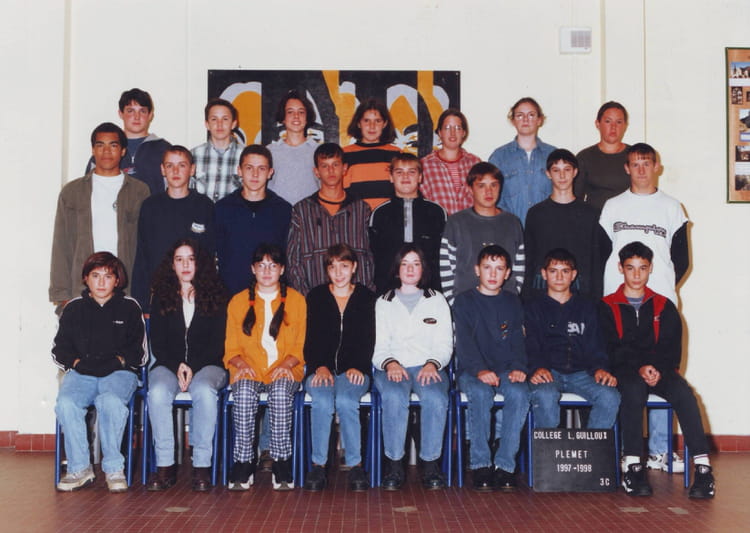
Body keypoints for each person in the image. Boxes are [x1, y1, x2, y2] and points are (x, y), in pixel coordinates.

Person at [599, 241, 715, 499]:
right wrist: (639, 367)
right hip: (626, 370)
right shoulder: (607, 306)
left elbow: (672, 346)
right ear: (620, 268)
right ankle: (633, 466)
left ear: (650, 268)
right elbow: (610, 347)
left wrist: (657, 369)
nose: (636, 275)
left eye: (642, 268)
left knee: (684, 394)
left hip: (660, 370)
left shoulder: (664, 305)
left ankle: (703, 468)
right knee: (633, 391)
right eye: (630, 268)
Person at [53, 252, 146, 492]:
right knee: (66, 403)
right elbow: (59, 349)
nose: (102, 282)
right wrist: (76, 363)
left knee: (110, 401)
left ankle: (114, 469)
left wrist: (117, 361)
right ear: (86, 279)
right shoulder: (73, 308)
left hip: (119, 373)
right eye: (96, 276)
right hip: (82, 371)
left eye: (108, 276)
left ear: (117, 280)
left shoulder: (130, 307)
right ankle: (80, 468)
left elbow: (139, 353)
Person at [146, 239, 228, 492]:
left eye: (190, 259)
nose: (185, 265)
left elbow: (218, 343)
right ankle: (165, 465)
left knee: (203, 390)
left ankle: (201, 466)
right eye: (179, 259)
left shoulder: (217, 294)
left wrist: (192, 365)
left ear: (199, 262)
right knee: (157, 392)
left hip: (208, 365)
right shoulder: (161, 296)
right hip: (169, 365)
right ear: (172, 264)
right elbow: (158, 343)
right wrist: (178, 365)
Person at [224, 244, 306, 491]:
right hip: (249, 368)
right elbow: (231, 347)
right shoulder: (238, 301)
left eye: (273, 266)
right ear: (253, 269)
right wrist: (241, 364)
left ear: (282, 269)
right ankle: (243, 461)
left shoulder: (297, 300)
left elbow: (300, 345)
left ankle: (281, 461)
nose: (267, 271)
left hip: (286, 368)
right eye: (261, 266)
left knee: (280, 393)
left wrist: (287, 364)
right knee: (243, 393)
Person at [372, 244, 453, 490]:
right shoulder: (383, 302)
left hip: (428, 366)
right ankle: (395, 464)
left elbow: (445, 343)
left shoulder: (437, 300)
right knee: (395, 396)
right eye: (405, 264)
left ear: (423, 269)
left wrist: (433, 364)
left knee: (436, 398)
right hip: (392, 366)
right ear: (397, 269)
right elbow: (378, 346)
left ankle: (430, 464)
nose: (410, 269)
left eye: (416, 264)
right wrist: (390, 363)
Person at [50, 123, 150, 311]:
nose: (106, 151)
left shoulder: (139, 191)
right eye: (100, 145)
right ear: (93, 150)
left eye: (113, 145)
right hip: (81, 290)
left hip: (126, 291)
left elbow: (147, 247)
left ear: (123, 151)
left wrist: (144, 296)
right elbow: (61, 245)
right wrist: (62, 296)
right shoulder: (72, 192)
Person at [454, 245, 529, 492]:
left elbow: (518, 339)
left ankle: (505, 465)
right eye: (487, 267)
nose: (493, 274)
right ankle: (481, 464)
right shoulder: (464, 301)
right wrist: (479, 370)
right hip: (472, 371)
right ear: (477, 270)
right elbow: (464, 343)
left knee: (519, 393)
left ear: (507, 273)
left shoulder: (512, 301)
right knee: (480, 393)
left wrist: (518, 367)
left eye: (499, 268)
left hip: (506, 368)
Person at [302, 244, 376, 492]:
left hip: (355, 369)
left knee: (346, 400)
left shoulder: (366, 298)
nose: (338, 272)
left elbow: (369, 339)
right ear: (326, 270)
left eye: (344, 266)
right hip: (319, 368)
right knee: (322, 401)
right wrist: (319, 366)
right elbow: (309, 339)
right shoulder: (316, 297)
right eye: (332, 267)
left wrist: (359, 366)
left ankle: (355, 466)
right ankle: (318, 466)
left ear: (354, 267)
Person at [526, 248, 620, 429]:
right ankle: (550, 448)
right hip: (548, 373)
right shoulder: (532, 308)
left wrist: (600, 368)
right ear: (544, 274)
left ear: (573, 275)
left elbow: (596, 345)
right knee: (545, 396)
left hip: (582, 374)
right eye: (553, 271)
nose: (559, 277)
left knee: (610, 396)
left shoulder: (587, 308)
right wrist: (536, 368)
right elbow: (530, 345)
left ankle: (591, 447)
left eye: (565, 271)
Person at [132, 146, 215, 313]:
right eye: (170, 165)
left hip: (195, 295)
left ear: (192, 169)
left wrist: (206, 296)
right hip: (159, 295)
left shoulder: (204, 205)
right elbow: (142, 257)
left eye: (182, 165)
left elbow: (209, 256)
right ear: (163, 170)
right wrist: (142, 303)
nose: (175, 171)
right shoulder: (150, 207)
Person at [287, 142, 374, 295]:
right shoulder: (301, 211)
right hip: (315, 297)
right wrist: (307, 298)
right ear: (316, 172)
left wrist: (364, 295)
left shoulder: (361, 209)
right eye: (324, 166)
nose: (331, 170)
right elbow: (293, 261)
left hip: (355, 298)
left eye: (335, 164)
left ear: (344, 168)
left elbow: (370, 257)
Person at [523, 149, 604, 301]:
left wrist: (597, 299)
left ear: (575, 172)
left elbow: (596, 261)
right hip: (543, 293)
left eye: (567, 169)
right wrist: (526, 298)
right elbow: (529, 260)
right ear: (548, 173)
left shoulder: (591, 214)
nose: (562, 176)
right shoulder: (536, 214)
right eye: (556, 170)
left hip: (581, 293)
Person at [439, 162, 524, 305]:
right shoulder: (456, 222)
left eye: (493, 185)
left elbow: (519, 266)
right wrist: (454, 303)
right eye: (481, 186)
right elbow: (446, 267)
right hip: (465, 305)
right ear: (470, 189)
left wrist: (513, 297)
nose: (488, 192)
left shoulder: (512, 223)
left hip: (504, 304)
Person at [215, 144, 292, 295]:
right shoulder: (222, 208)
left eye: (261, 168)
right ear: (239, 170)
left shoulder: (283, 210)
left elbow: (287, 257)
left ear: (270, 173)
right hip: (231, 294)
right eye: (249, 168)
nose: (255, 174)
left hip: (272, 294)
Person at [369, 153, 446, 294]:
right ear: (391, 177)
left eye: (411, 172)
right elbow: (374, 256)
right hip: (389, 290)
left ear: (420, 177)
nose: (405, 177)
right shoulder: (379, 214)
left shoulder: (436, 212)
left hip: (429, 289)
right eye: (399, 172)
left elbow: (443, 256)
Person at [85, 88, 171, 195]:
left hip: (153, 206)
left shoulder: (164, 149)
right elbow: (87, 190)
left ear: (150, 115)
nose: (137, 117)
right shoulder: (105, 150)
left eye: (142, 111)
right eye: (130, 111)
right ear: (120, 113)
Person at [488, 97, 556, 226]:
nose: (525, 119)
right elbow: (491, 197)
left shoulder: (553, 155)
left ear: (539, 120)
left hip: (547, 228)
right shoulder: (499, 157)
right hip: (508, 229)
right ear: (513, 120)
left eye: (531, 115)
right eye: (520, 115)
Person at [420, 108, 481, 215]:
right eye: (447, 128)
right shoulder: (425, 165)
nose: (452, 133)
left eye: (458, 128)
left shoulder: (475, 163)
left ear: (463, 133)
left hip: (470, 224)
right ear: (440, 132)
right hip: (439, 224)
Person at [342, 98, 401, 209]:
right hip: (355, 216)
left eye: (377, 121)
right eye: (366, 121)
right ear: (358, 123)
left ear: (385, 124)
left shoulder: (396, 154)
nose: (372, 126)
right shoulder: (344, 154)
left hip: (388, 216)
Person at [267, 90, 320, 205]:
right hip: (278, 213)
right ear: (283, 118)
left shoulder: (318, 151)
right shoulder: (269, 151)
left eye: (301, 112)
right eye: (290, 112)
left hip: (310, 214)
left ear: (307, 117)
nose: (296, 116)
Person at [574, 101, 630, 210]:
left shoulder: (634, 156)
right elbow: (576, 198)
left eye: (619, 122)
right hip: (595, 218)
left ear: (625, 125)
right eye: (608, 121)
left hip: (629, 218)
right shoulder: (584, 157)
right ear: (597, 124)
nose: (613, 127)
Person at [192, 98, 244, 202]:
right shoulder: (193, 155)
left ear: (233, 123)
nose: (219, 124)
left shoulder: (245, 156)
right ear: (207, 124)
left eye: (225, 119)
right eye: (214, 119)